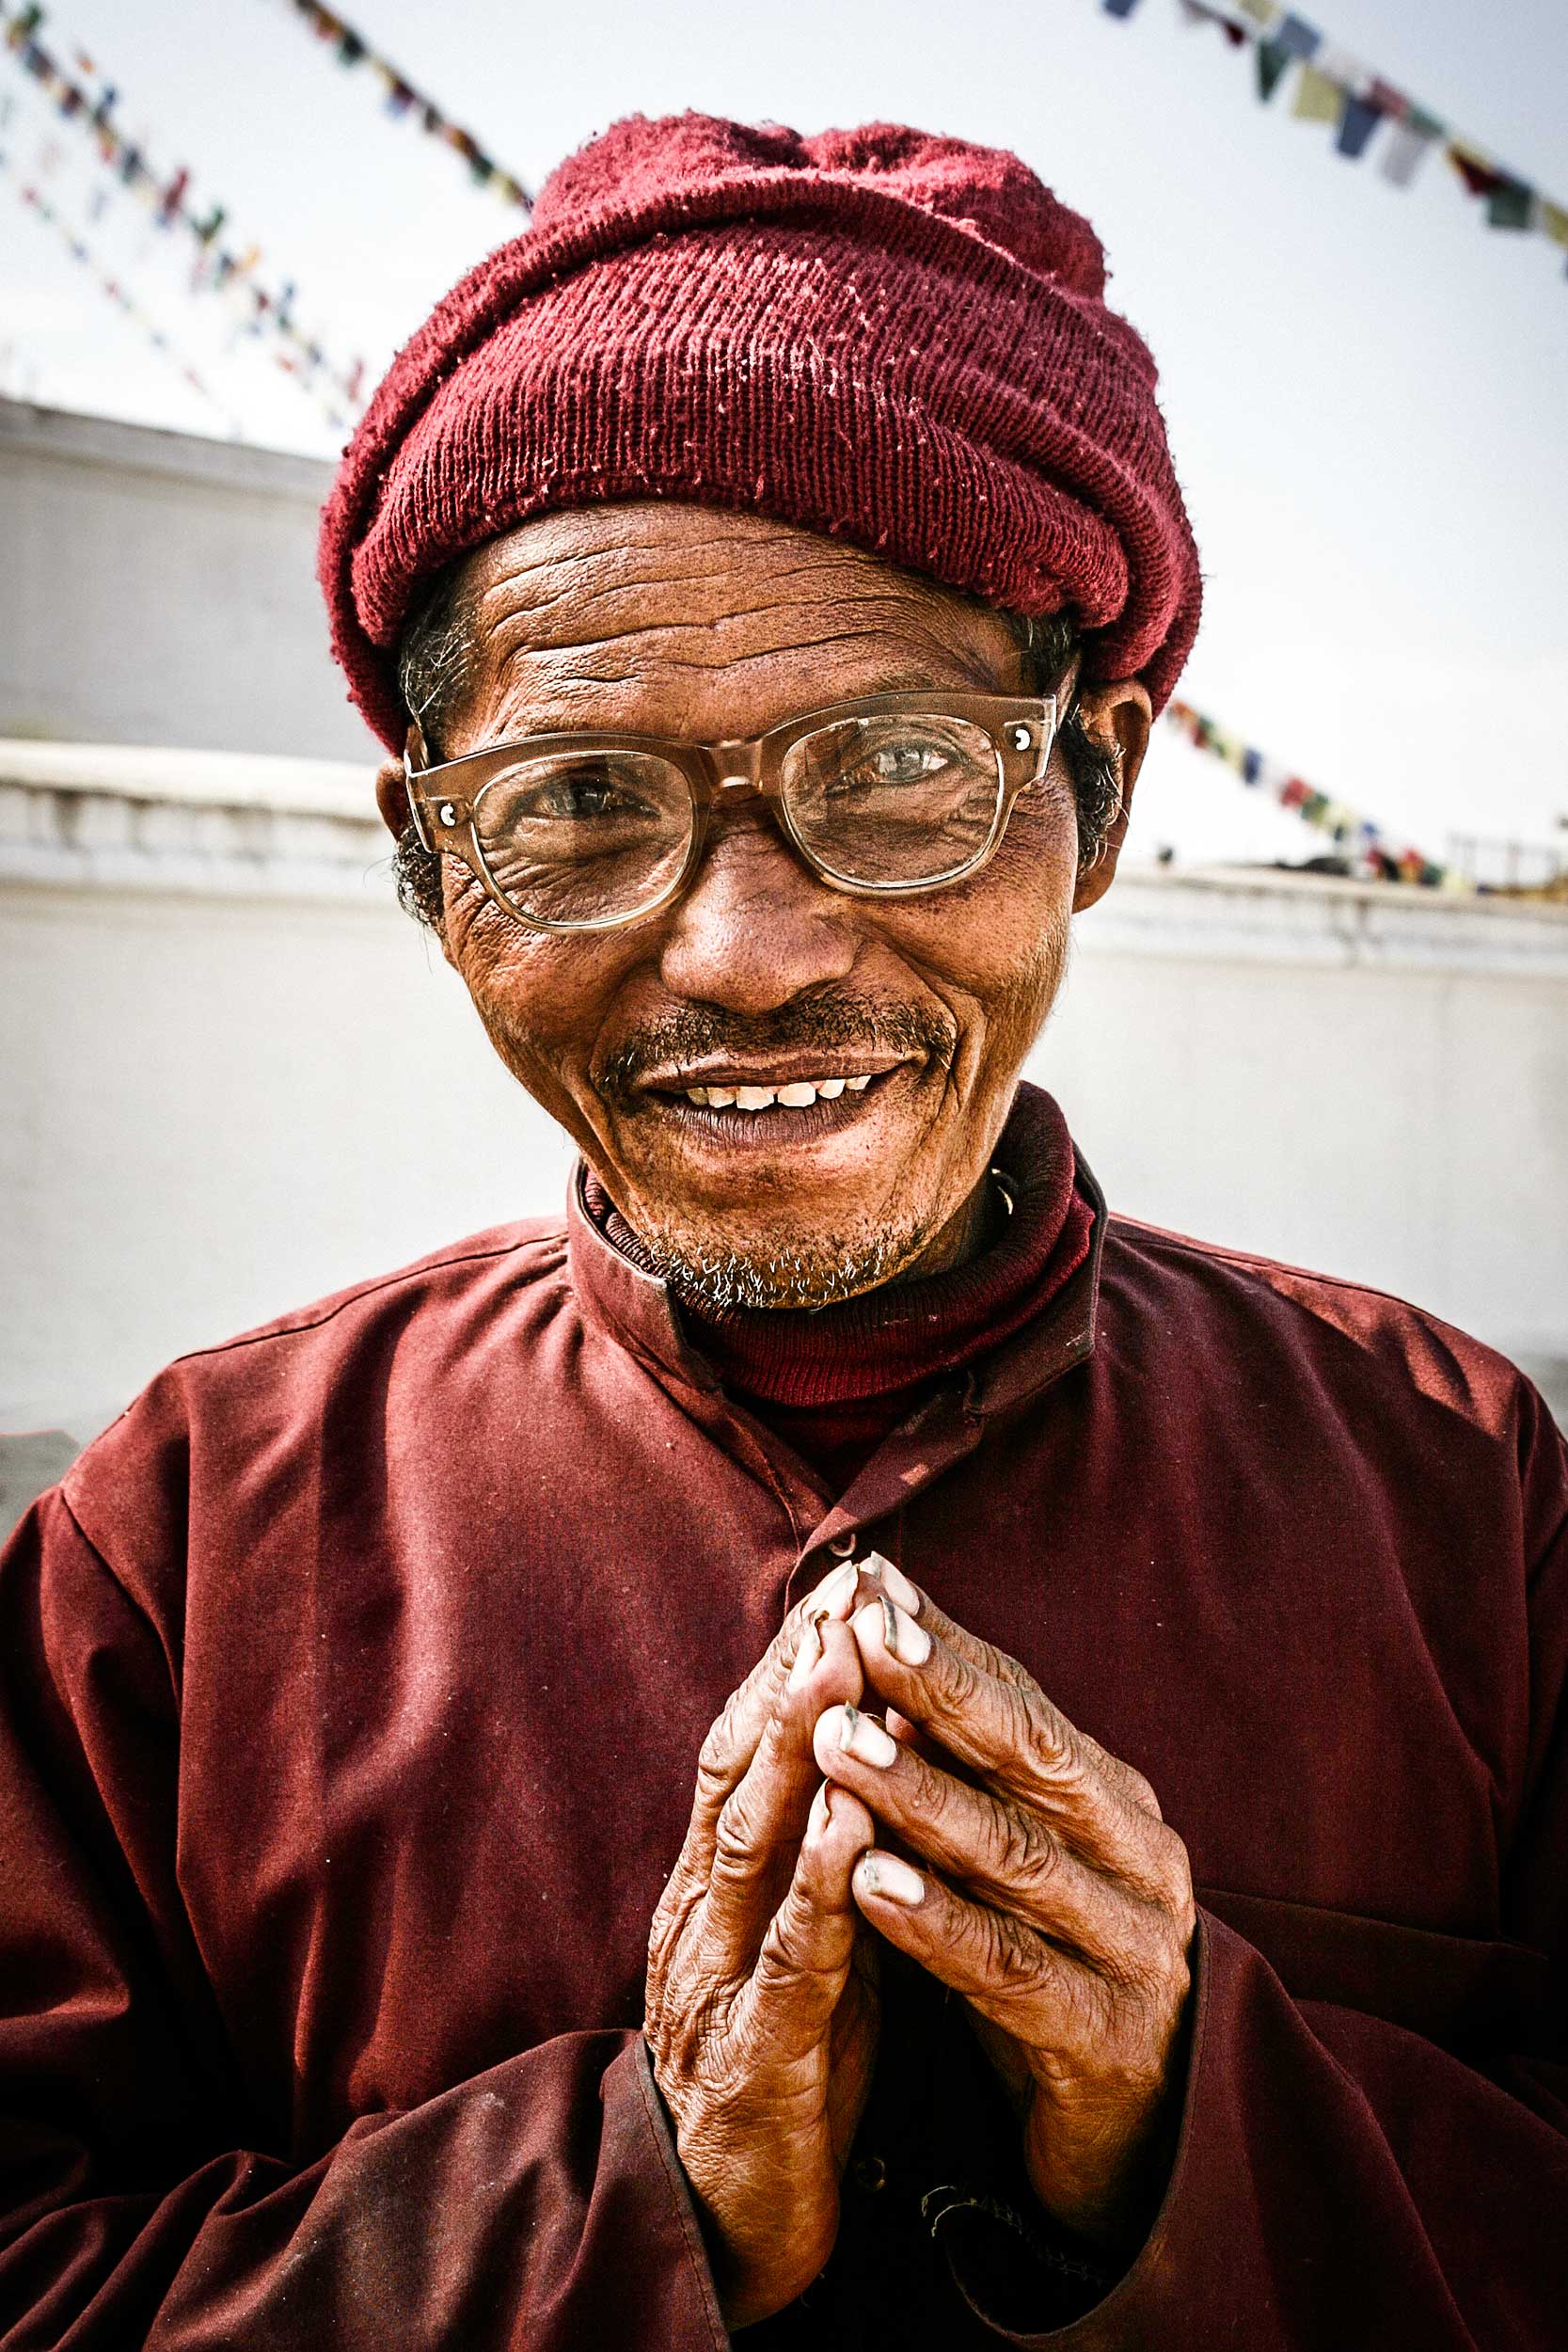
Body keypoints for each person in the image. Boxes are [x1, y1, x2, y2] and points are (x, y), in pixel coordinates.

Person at [2, 112, 1563, 2351]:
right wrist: (635, 2202)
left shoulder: (1460, 1490)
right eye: (576, 804)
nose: (745, 948)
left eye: (906, 771)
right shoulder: (175, 1555)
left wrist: (1206, 2127)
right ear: (429, 866)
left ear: (1098, 789)